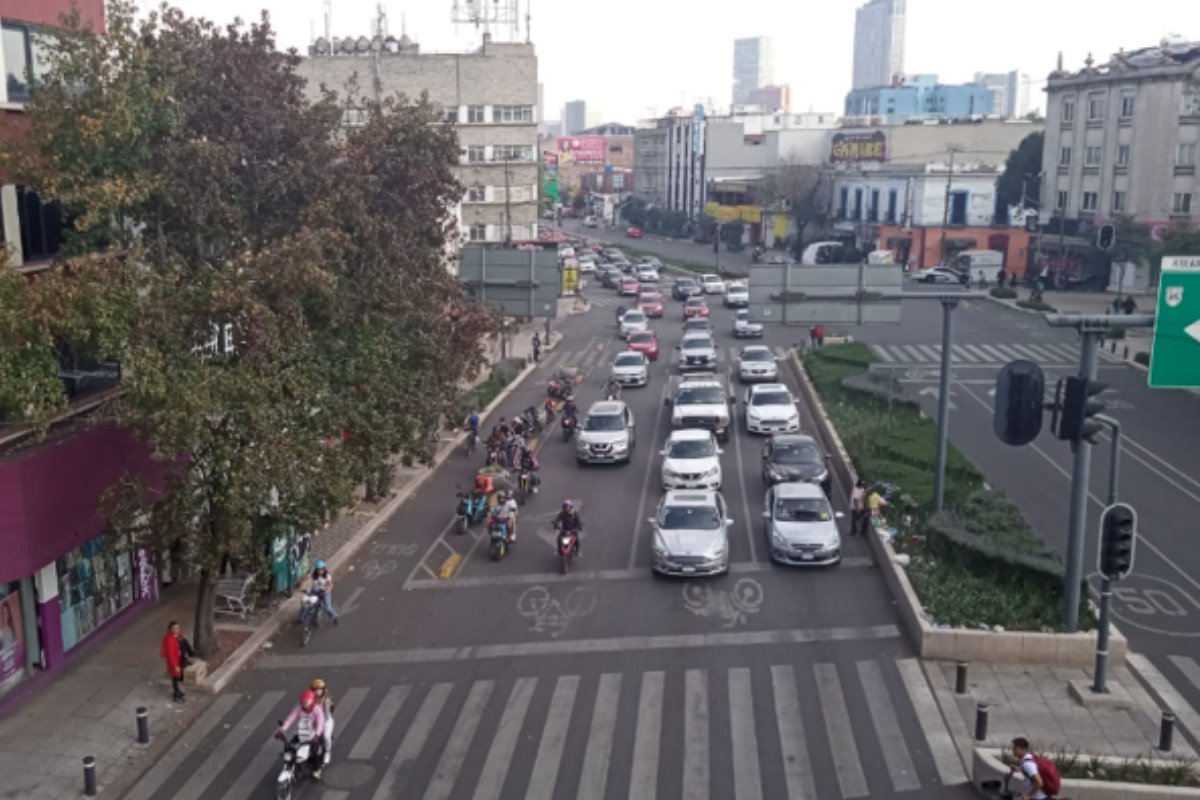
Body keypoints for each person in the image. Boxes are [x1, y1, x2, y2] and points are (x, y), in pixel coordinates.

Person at [276, 690, 327, 779]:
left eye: (307, 703)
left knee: (315, 752)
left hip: (314, 735)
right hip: (302, 733)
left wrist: (317, 735)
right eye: (303, 702)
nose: (305, 705)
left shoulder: (317, 710)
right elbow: (290, 719)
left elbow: (320, 723)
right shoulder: (298, 709)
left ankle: (317, 770)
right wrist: (282, 730)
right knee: (290, 746)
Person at [296, 561, 338, 626]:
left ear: (324, 569)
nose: (320, 571)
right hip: (315, 592)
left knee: (327, 607)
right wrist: (301, 587)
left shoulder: (327, 576)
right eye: (318, 569)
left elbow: (330, 584)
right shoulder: (313, 575)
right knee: (306, 604)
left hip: (324, 593)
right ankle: (300, 619)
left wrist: (328, 589)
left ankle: (334, 617)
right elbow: (306, 580)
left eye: (321, 569)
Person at [160, 620, 191, 702]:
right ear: (170, 629)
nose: (177, 629)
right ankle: (176, 695)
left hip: (180, 660)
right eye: (174, 628)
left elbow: (181, 638)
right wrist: (175, 666)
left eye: (178, 627)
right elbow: (170, 654)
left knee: (178, 677)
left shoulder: (178, 635)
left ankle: (178, 692)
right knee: (175, 678)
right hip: (175, 662)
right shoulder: (169, 640)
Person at [310, 679, 335, 766]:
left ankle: (327, 752)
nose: (318, 692)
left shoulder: (326, 700)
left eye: (320, 689)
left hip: (326, 721)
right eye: (316, 689)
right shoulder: (310, 699)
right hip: (314, 721)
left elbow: (326, 714)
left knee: (326, 736)